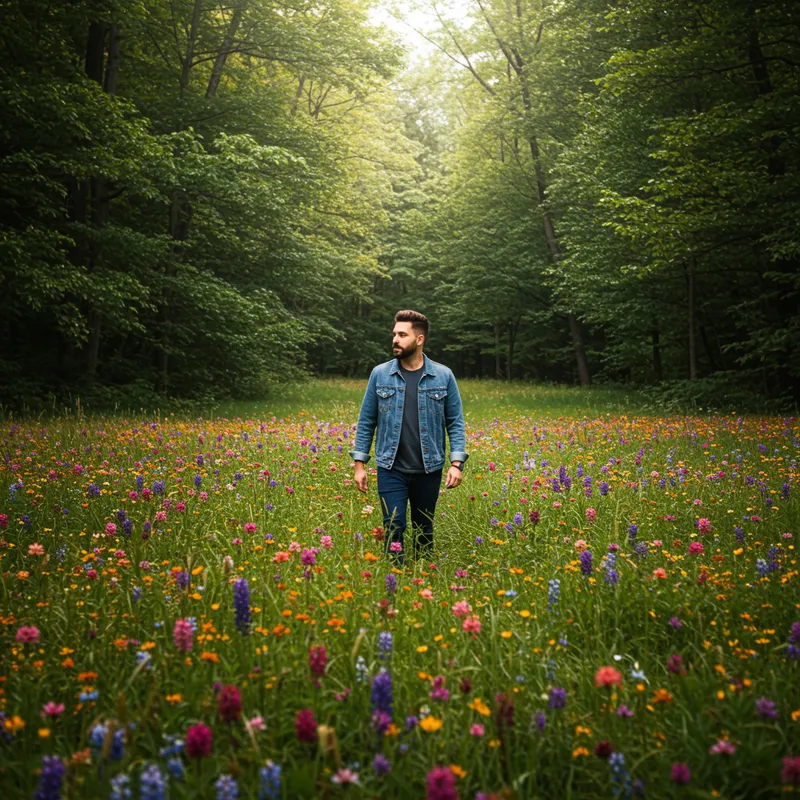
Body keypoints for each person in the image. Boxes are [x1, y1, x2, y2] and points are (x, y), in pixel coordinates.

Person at [349, 310, 468, 562]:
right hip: (390, 466)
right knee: (394, 525)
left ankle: (423, 578)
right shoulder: (380, 374)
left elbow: (455, 422)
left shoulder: (443, 376)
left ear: (420, 339)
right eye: (394, 334)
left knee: (424, 528)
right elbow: (366, 421)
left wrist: (457, 464)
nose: (395, 339)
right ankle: (396, 578)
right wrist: (359, 464)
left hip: (429, 467)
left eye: (402, 335)